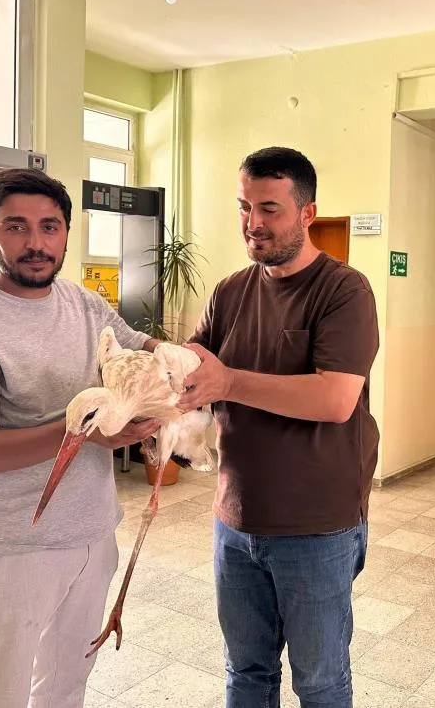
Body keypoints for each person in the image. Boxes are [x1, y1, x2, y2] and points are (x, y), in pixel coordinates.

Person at [0, 168, 161, 708]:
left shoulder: (83, 304)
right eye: (15, 226)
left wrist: (183, 368)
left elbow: (142, 347)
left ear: (66, 232)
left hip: (93, 532)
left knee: (67, 687)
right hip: (12, 547)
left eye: (50, 226)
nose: (36, 243)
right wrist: (91, 433)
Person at [176, 146, 379, 708]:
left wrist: (228, 382)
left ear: (307, 213)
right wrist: (158, 383)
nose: (253, 223)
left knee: (320, 682)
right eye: (245, 207)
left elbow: (335, 400)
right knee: (246, 673)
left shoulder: (344, 290)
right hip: (235, 519)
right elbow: (195, 367)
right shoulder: (230, 291)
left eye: (270, 209)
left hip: (317, 526)